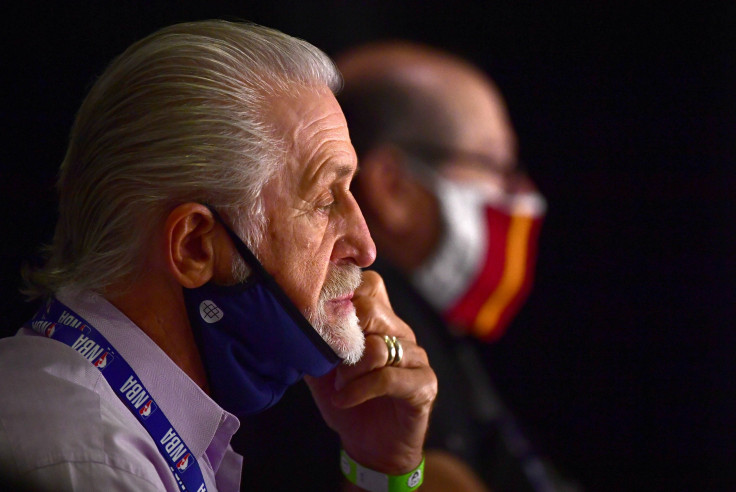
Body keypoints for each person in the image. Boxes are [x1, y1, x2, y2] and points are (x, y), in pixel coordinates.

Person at [0, 21, 437, 492]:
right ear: (193, 247)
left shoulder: (104, 413)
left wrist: (380, 466)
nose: (366, 247)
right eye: (324, 202)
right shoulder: (99, 467)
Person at [336, 42, 579, 492]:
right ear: (392, 187)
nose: (525, 194)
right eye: (497, 165)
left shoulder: (435, 330)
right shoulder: (350, 335)